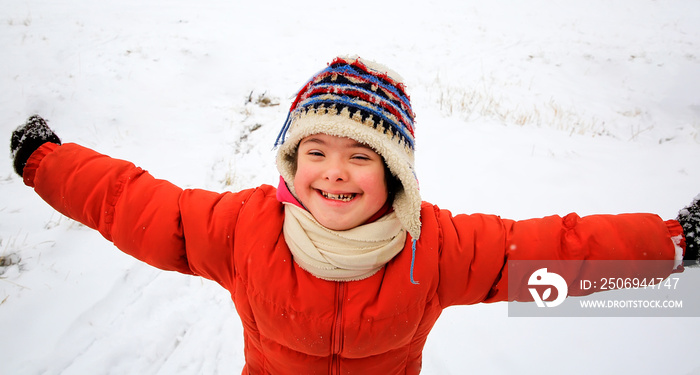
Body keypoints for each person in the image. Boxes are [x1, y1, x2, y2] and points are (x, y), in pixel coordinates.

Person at [10, 56, 700, 375]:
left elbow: (555, 248)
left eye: (360, 157)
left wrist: (672, 241)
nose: (334, 172)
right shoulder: (242, 228)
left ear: (395, 173)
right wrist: (45, 159)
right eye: (315, 150)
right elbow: (134, 202)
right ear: (291, 162)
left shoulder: (438, 245)